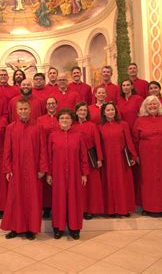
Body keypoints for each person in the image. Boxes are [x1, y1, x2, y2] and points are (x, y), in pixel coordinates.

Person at [1, 99, 48, 240]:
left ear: (30, 109)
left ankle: (30, 228)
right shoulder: (11, 127)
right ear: (16, 111)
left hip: (34, 169)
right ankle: (15, 228)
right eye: (20, 109)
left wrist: (42, 168)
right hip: (17, 169)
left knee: (32, 199)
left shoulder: (38, 127)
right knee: (15, 199)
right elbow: (7, 150)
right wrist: (8, 168)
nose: (23, 111)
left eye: (25, 109)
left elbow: (43, 150)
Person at [47, 108, 89, 239]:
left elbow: (83, 156)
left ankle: (74, 228)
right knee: (58, 200)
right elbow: (49, 156)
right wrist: (49, 174)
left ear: (72, 121)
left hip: (75, 173)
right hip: (57, 173)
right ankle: (58, 228)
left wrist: (84, 173)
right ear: (58, 121)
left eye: (67, 118)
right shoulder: (52, 135)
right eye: (62, 118)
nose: (64, 120)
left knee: (74, 200)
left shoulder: (78, 135)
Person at [99, 102, 137, 217]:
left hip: (121, 159)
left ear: (115, 111)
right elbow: (99, 144)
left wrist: (133, 156)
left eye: (112, 110)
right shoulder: (99, 126)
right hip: (107, 160)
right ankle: (111, 210)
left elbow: (129, 141)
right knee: (109, 183)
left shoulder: (123, 124)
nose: (110, 112)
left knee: (123, 183)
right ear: (104, 113)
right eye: (108, 110)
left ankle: (124, 209)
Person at [72, 102, 104, 219]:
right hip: (76, 158)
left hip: (90, 158)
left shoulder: (92, 125)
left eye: (84, 110)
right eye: (80, 110)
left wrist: (99, 158)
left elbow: (97, 143)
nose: (82, 112)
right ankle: (80, 208)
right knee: (79, 185)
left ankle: (90, 209)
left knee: (91, 185)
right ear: (76, 112)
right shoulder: (72, 126)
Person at [37, 96, 60, 218]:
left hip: (59, 153)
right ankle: (46, 207)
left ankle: (58, 206)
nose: (51, 106)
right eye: (48, 104)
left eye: (53, 103)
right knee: (46, 182)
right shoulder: (40, 120)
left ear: (56, 105)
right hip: (44, 151)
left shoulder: (62, 118)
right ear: (46, 106)